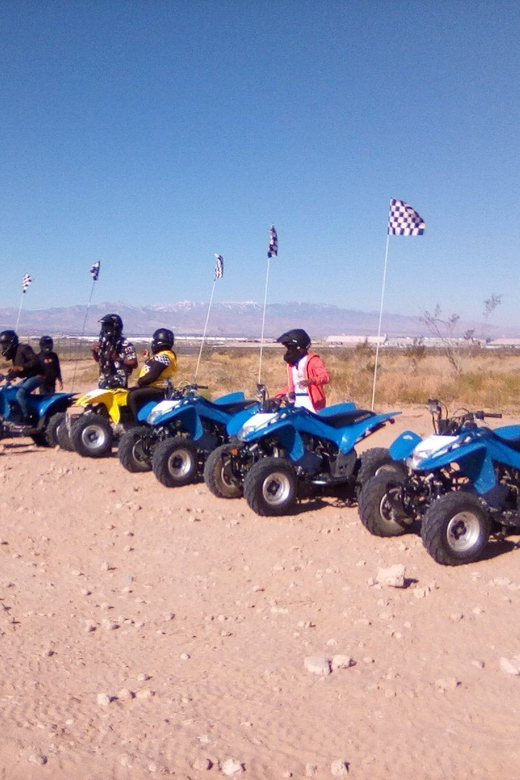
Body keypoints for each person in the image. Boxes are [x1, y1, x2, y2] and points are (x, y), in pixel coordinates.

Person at [127, 328, 178, 420]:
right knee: (125, 392)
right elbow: (153, 366)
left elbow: (152, 375)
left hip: (159, 389)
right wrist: (147, 358)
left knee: (132, 396)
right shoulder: (163, 355)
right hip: (154, 387)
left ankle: (136, 423)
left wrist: (140, 382)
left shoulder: (165, 356)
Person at [275, 328, 330, 412]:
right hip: (297, 404)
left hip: (313, 405)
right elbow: (292, 385)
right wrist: (277, 397)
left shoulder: (313, 360)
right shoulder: (292, 365)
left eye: (290, 348)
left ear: (299, 348)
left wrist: (311, 380)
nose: (288, 351)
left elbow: (325, 376)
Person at [0, 329, 46, 423]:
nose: (3, 347)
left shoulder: (24, 348)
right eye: (2, 344)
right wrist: (8, 376)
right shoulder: (14, 354)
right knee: (12, 391)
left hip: (39, 376)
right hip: (29, 377)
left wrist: (20, 368)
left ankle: (27, 417)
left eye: (4, 344)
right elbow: (17, 370)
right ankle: (16, 414)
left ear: (11, 342)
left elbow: (35, 361)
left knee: (20, 393)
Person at [91, 314, 138, 389]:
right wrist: (94, 351)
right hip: (103, 381)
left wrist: (118, 358)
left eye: (107, 326)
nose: (105, 329)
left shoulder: (125, 344)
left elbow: (134, 363)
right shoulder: (104, 343)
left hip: (119, 382)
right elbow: (98, 359)